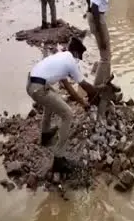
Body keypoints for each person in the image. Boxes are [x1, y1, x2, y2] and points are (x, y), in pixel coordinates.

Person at [27, 37, 98, 172]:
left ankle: (46, 134)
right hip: (39, 88)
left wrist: (83, 103)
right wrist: (96, 94)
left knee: (52, 99)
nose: (79, 60)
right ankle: (59, 158)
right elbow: (84, 84)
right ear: (76, 53)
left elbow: (69, 88)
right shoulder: (71, 61)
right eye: (79, 57)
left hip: (31, 83)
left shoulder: (61, 57)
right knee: (68, 114)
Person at [85, 0, 131, 115]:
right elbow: (96, 6)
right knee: (105, 55)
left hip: (96, 15)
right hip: (97, 17)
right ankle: (95, 92)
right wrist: (99, 31)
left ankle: (105, 83)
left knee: (106, 55)